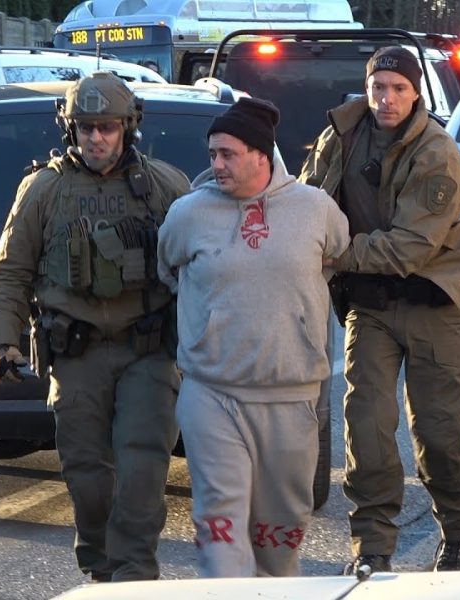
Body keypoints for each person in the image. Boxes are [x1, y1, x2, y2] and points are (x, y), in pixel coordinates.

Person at [0, 71, 190, 582]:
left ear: (128, 127)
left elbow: (200, 267)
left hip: (149, 350)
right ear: (68, 129)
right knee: (87, 476)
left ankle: (134, 573)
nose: (96, 138)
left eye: (106, 127)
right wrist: (3, 340)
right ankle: (100, 565)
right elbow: (11, 271)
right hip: (76, 355)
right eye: (85, 128)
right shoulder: (43, 190)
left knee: (143, 469)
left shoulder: (166, 187)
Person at [299, 46, 460, 574]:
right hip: (370, 307)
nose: (387, 97)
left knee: (438, 435)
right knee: (367, 431)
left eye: (398, 88)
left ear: (416, 92)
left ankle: (458, 532)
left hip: (431, 305)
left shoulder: (437, 151)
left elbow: (410, 247)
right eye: (379, 86)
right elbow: (310, 204)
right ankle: (371, 549)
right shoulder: (343, 136)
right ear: (367, 86)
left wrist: (338, 254)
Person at [156, 98, 350, 577]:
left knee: (279, 539)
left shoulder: (315, 209)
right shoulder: (188, 214)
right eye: (212, 155)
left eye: (228, 154)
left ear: (262, 155)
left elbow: (338, 255)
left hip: (292, 397)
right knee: (220, 527)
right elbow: (168, 269)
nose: (216, 164)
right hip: (213, 393)